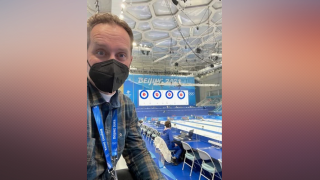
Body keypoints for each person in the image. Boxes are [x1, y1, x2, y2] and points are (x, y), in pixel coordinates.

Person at [87, 13, 165, 180]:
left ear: (130, 61)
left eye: (121, 55)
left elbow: (138, 154)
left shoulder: (126, 105)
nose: (112, 63)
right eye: (101, 52)